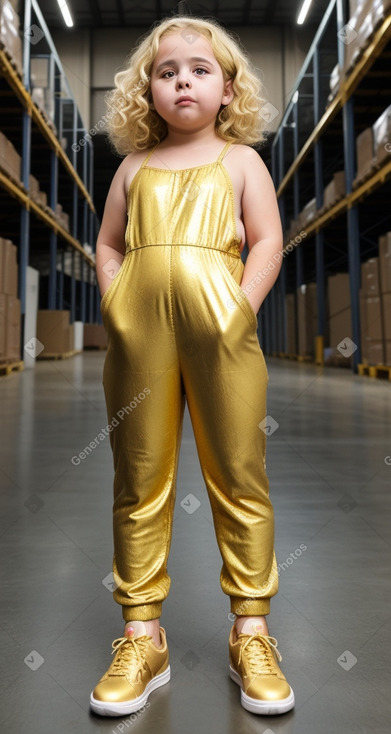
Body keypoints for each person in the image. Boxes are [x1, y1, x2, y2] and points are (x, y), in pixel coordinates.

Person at [90, 13, 294, 718]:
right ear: (146, 90)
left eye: (199, 69)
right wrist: (117, 300)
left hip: (222, 336)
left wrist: (239, 308)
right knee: (139, 476)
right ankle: (142, 635)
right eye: (166, 70)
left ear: (228, 88)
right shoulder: (133, 167)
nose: (182, 80)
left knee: (239, 473)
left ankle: (251, 630)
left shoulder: (241, 161)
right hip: (139, 336)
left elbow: (267, 239)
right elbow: (108, 244)